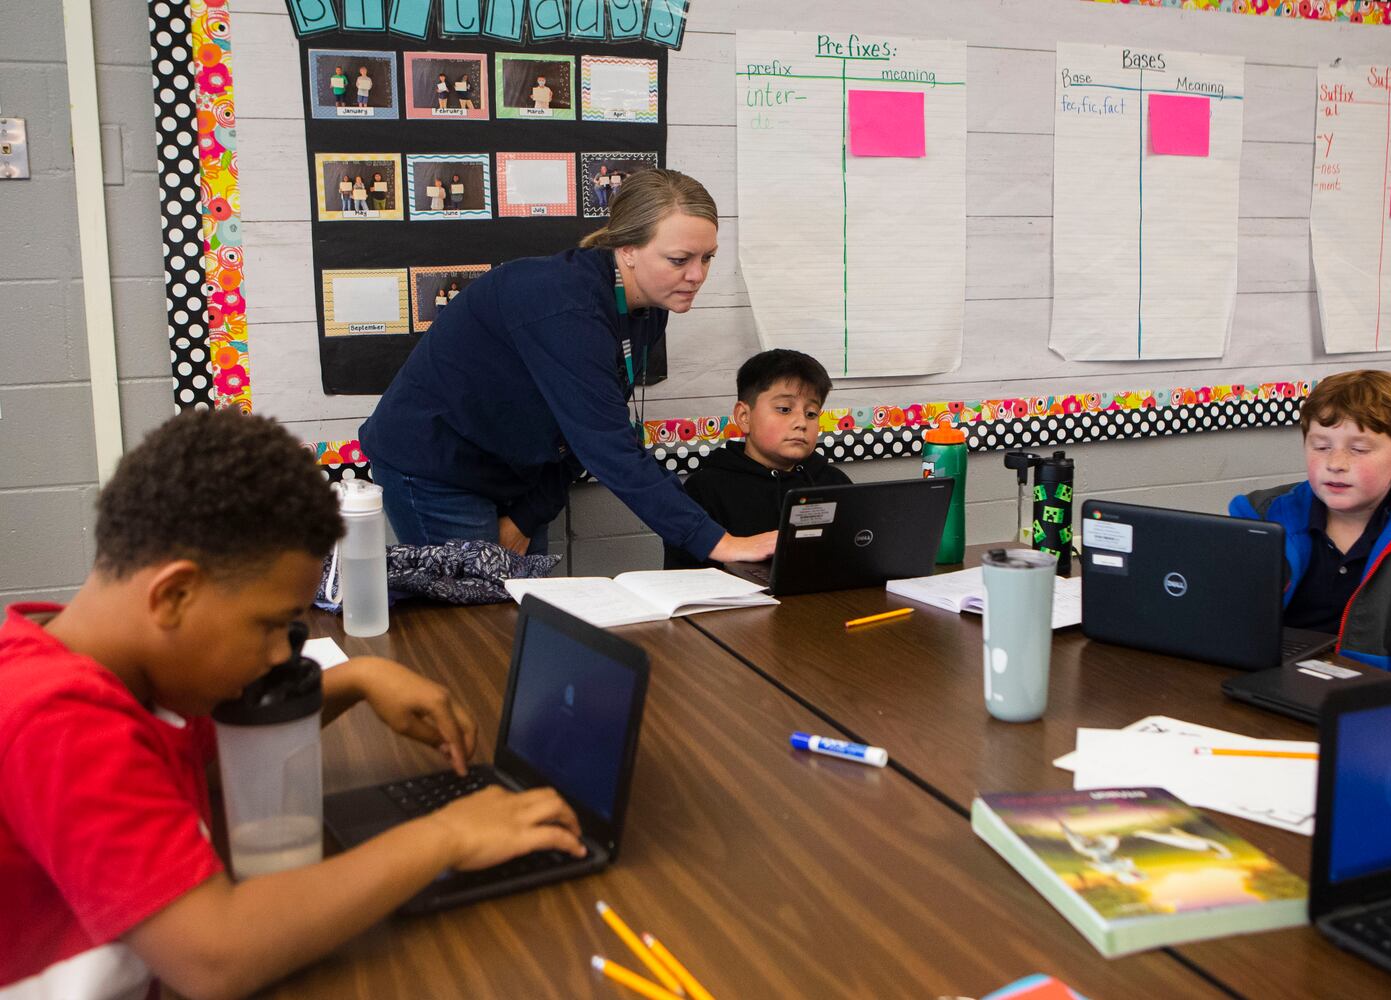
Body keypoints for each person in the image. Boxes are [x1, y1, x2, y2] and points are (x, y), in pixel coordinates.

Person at [0, 409, 584, 999]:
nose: (283, 656)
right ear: (174, 595)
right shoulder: (62, 721)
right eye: (272, 625)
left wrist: (358, 679)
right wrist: (446, 836)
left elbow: (212, 748)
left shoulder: (84, 665)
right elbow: (216, 958)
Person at [359, 168, 776, 567]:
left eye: (708, 258)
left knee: (523, 603)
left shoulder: (649, 304)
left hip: (515, 472)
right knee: (479, 623)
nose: (697, 275)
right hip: (436, 467)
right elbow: (605, 442)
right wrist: (719, 543)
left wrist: (529, 514)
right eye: (680, 259)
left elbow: (579, 427)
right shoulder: (565, 305)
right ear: (627, 249)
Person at [1229, 369, 1391, 674]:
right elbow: (1226, 622)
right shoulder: (1259, 515)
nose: (1335, 464)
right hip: (1264, 678)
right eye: (1321, 447)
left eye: (1358, 450)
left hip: (1372, 696)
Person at [664, 350, 849, 569]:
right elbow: (685, 578)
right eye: (784, 409)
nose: (801, 422)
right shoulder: (705, 490)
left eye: (811, 413)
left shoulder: (834, 482)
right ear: (744, 417)